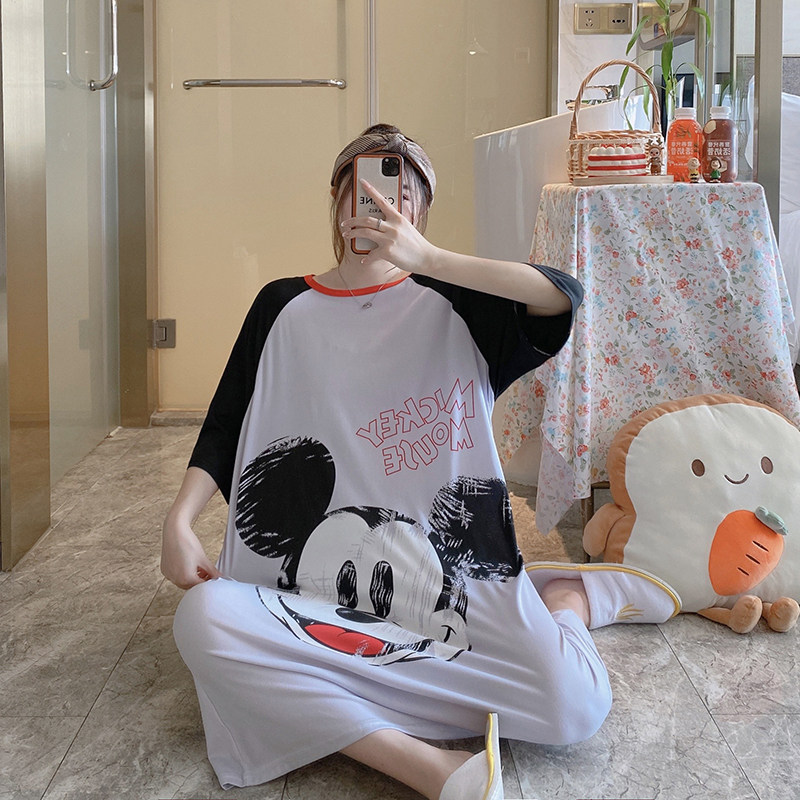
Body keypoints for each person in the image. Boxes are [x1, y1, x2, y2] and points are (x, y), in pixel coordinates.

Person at [162, 124, 681, 800]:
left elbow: (561, 295)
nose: (385, 202)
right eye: (368, 186)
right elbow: (227, 421)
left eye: (406, 192)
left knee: (576, 707)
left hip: (443, 602)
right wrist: (180, 521)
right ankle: (427, 767)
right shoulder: (281, 305)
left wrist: (430, 258)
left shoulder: (456, 302)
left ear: (423, 211)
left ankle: (570, 601)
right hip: (313, 602)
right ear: (338, 200)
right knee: (202, 619)